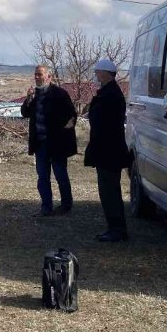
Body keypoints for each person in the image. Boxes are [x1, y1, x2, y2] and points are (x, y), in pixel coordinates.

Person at [21, 65, 77, 217]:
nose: (37, 77)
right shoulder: (35, 95)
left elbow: (71, 115)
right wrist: (28, 99)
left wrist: (65, 133)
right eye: (35, 74)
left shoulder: (59, 94)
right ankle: (46, 206)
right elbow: (25, 113)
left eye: (40, 74)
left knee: (60, 175)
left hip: (57, 144)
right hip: (40, 144)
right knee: (43, 177)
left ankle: (66, 205)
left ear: (48, 76)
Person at [84, 59, 130, 242]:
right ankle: (114, 227)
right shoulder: (110, 93)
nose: (96, 75)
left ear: (105, 73)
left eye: (98, 72)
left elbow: (103, 123)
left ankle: (117, 229)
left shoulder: (110, 95)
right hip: (107, 150)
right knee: (108, 190)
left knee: (110, 191)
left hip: (108, 151)